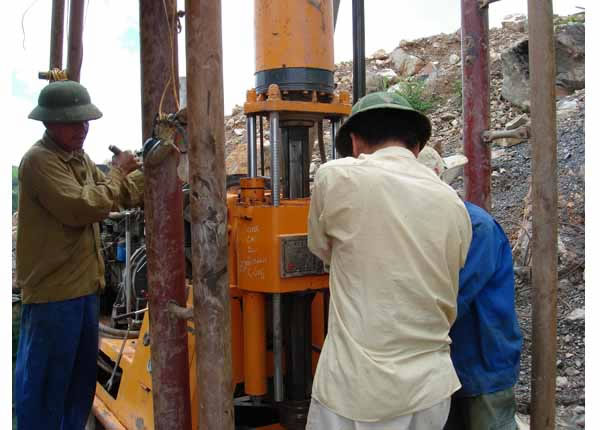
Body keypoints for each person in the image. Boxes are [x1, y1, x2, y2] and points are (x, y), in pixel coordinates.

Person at [306, 92, 472, 430]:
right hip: (431, 389)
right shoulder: (454, 204)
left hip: (359, 392)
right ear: (417, 147)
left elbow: (321, 249)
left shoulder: (336, 177)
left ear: (355, 142)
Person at [14, 80, 144, 430]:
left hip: (84, 290)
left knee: (78, 387)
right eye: (72, 122)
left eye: (84, 121)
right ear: (49, 123)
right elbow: (84, 206)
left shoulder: (78, 158)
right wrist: (118, 172)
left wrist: (148, 170)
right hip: (54, 296)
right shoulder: (39, 161)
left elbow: (116, 194)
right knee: (45, 389)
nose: (82, 128)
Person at [417, 149, 523, 430]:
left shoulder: (475, 225)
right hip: (444, 362)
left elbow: (453, 297)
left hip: (482, 359)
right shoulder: (425, 228)